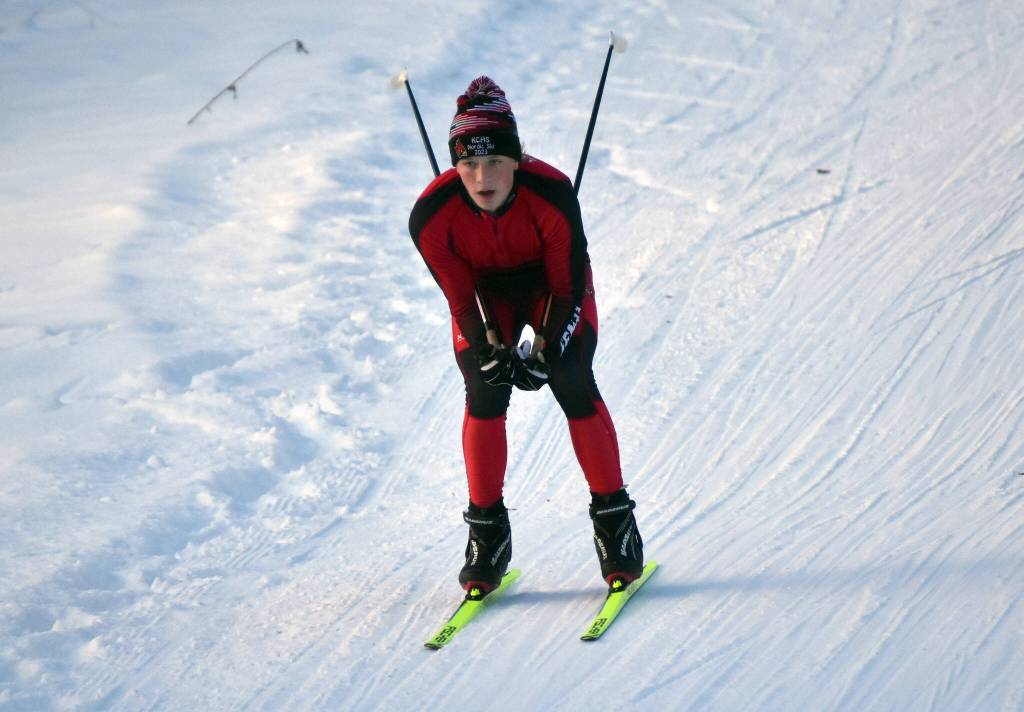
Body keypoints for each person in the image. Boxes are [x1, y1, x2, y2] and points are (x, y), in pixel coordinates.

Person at [408, 76, 643, 593]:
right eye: (468, 163)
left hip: (552, 288)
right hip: (485, 295)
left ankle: (616, 522)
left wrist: (545, 351)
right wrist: (490, 351)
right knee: (484, 386)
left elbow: (566, 286)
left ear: (518, 160)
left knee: (571, 375)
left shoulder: (553, 195)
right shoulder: (430, 217)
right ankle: (487, 531)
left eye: (495, 162)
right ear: (455, 165)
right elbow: (460, 300)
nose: (482, 176)